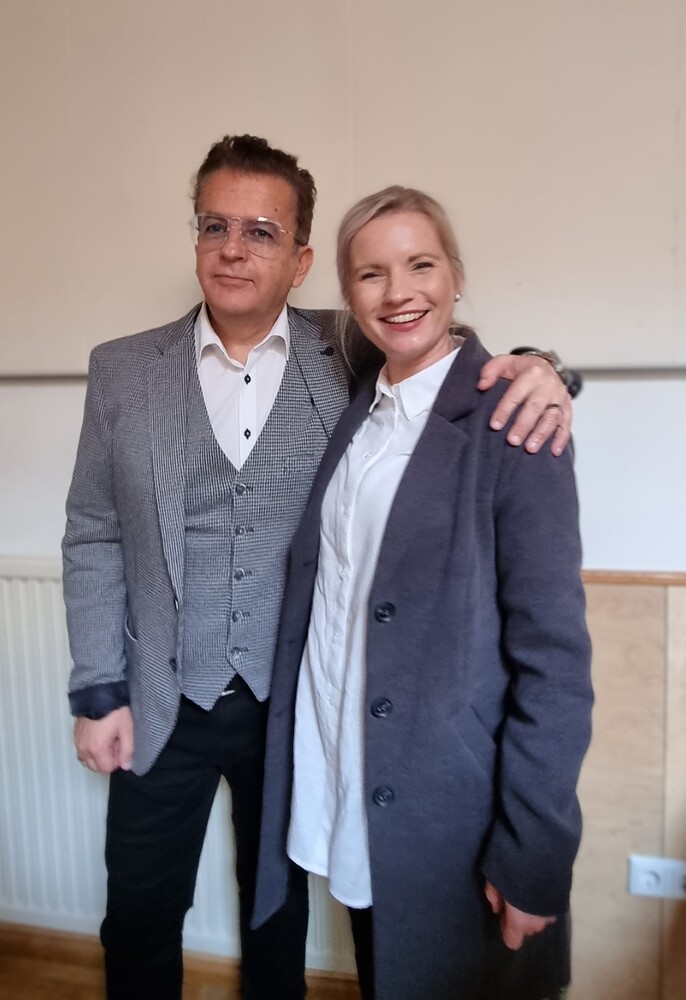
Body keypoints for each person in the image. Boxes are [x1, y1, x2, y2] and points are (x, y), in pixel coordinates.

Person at [63, 135, 578, 1000]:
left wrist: (546, 369)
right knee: (140, 913)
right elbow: (91, 532)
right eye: (215, 226)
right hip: (158, 697)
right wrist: (96, 688)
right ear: (196, 237)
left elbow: (445, 362)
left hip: (291, 704)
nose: (233, 249)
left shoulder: (348, 348)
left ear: (301, 261)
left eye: (261, 232)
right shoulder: (121, 371)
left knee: (276, 912)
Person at [253, 185, 593, 1000]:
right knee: (387, 972)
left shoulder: (516, 421)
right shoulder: (359, 407)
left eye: (421, 265)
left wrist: (534, 854)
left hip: (454, 804)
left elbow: (554, 663)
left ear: (457, 275)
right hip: (354, 777)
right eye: (371, 273)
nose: (398, 292)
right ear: (347, 293)